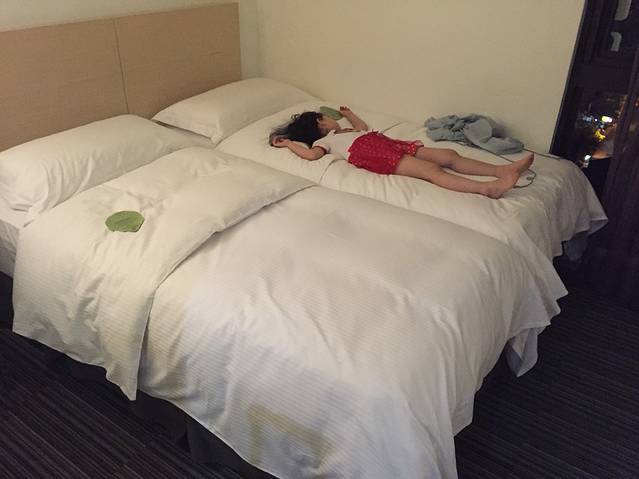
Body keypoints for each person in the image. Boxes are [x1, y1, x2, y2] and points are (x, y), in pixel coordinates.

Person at [270, 107, 534, 199]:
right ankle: (487, 189)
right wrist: (289, 144)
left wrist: (349, 114)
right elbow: (312, 156)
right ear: (320, 126)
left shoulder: (345, 131)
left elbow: (361, 127)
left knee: (448, 155)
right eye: (326, 118)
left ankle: (502, 169)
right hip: (376, 155)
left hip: (390, 144)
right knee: (431, 170)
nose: (331, 119)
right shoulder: (327, 142)